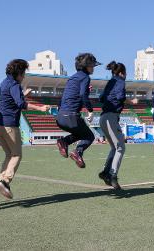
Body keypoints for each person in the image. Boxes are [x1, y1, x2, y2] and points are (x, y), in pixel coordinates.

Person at [0, 59, 50, 199]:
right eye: (23, 73)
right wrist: (40, 108)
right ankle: (5, 181)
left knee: (9, 154)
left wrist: (23, 93)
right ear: (18, 72)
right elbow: (20, 104)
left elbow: (10, 100)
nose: (24, 76)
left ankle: (1, 180)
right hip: (9, 125)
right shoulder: (14, 84)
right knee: (17, 154)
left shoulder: (4, 82)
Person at [56, 53, 100, 168]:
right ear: (86, 66)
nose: (93, 68)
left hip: (60, 117)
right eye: (92, 66)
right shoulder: (85, 77)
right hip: (71, 116)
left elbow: (66, 97)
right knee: (89, 136)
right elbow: (82, 95)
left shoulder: (72, 78)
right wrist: (90, 110)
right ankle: (77, 152)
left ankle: (64, 141)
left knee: (79, 133)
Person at [98, 61, 138, 189]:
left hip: (103, 117)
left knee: (115, 148)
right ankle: (112, 175)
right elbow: (121, 96)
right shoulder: (120, 81)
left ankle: (106, 172)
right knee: (120, 147)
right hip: (111, 117)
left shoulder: (110, 82)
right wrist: (132, 101)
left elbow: (101, 98)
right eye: (125, 73)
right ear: (122, 72)